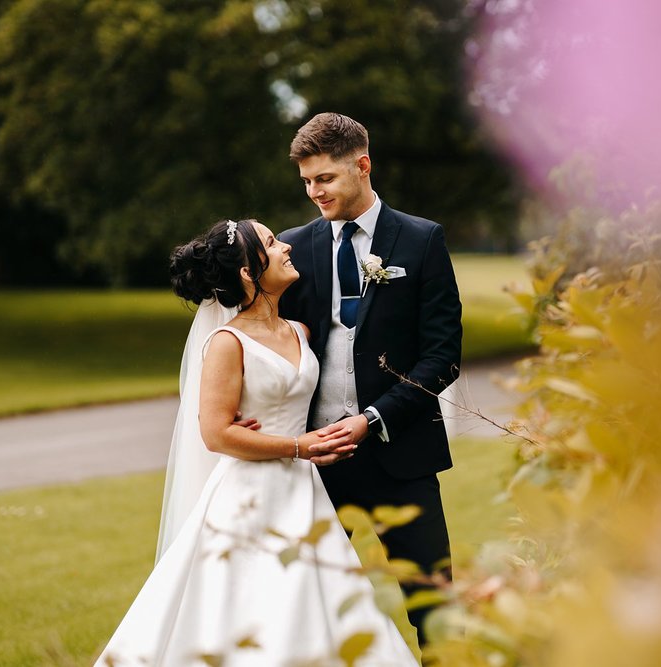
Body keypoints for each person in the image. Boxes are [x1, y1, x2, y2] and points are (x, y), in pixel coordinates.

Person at [95, 219, 418, 666]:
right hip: (249, 496)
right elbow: (214, 433)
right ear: (249, 272)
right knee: (255, 606)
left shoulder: (301, 332)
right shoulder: (227, 343)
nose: (286, 246)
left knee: (318, 603)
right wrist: (298, 447)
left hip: (303, 494)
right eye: (271, 242)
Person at [277, 112, 463, 644]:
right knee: (302, 606)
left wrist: (374, 419)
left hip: (401, 454)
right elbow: (268, 337)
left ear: (363, 166)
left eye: (325, 178)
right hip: (315, 461)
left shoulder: (422, 240)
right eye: (307, 181)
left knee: (436, 609)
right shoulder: (293, 247)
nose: (314, 191)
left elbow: (443, 355)